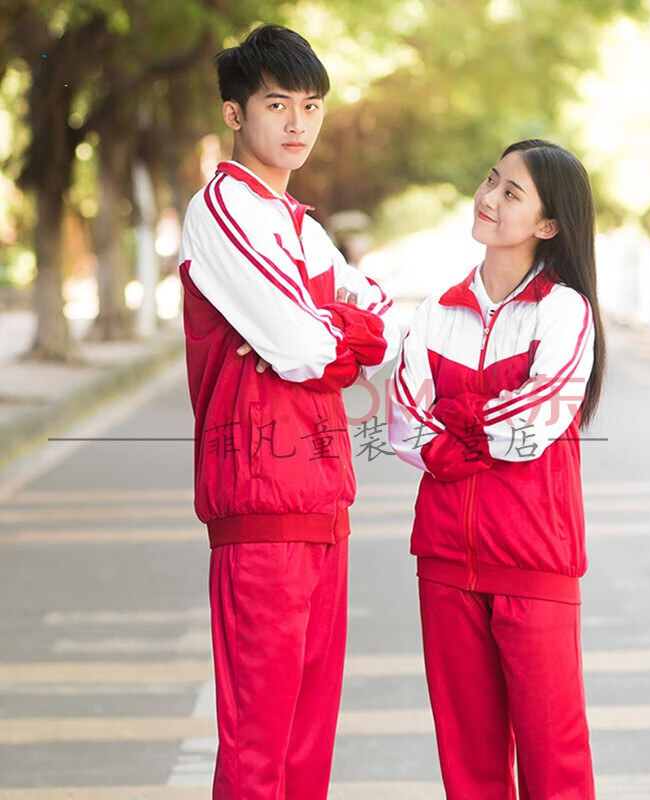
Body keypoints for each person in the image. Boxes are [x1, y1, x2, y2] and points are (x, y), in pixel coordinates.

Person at [178, 24, 399, 800]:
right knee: (259, 746)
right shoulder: (224, 210)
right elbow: (305, 347)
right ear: (236, 114)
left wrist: (334, 326)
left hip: (323, 498)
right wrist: (338, 330)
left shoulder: (299, 225)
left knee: (307, 745)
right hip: (261, 502)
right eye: (278, 105)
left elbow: (378, 315)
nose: (298, 124)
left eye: (311, 107)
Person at [389, 139, 605, 799]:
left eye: (512, 193)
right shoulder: (434, 313)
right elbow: (401, 423)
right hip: (446, 562)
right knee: (469, 767)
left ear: (547, 225)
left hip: (534, 561)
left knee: (554, 765)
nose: (489, 198)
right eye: (491, 181)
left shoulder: (563, 311)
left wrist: (453, 426)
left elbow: (534, 426)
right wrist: (478, 426)